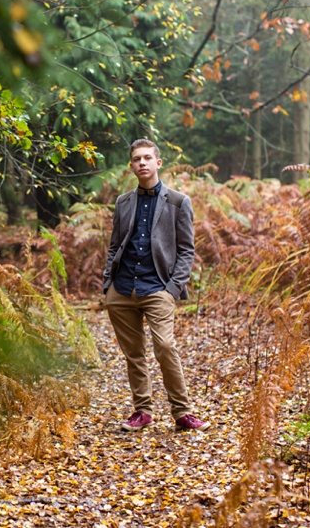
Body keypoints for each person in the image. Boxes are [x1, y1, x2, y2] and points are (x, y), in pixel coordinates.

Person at [102, 138, 209, 432]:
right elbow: (114, 246)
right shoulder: (124, 202)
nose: (142, 163)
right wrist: (107, 283)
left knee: (164, 346)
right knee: (133, 354)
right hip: (122, 289)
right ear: (132, 165)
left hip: (158, 287)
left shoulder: (177, 202)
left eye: (148, 158)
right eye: (137, 159)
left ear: (158, 163)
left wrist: (173, 288)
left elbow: (187, 250)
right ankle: (142, 411)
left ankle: (183, 412)